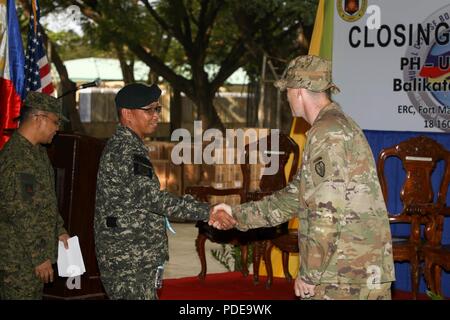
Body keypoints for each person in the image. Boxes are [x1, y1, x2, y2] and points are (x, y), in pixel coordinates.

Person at [210, 55, 395, 300]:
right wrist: (236, 214)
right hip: (350, 269)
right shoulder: (333, 126)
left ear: (297, 91)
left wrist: (310, 272)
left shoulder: (328, 133)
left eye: (287, 91)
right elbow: (294, 197)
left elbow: (326, 210)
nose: (286, 97)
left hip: (345, 274)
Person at [94, 82, 235, 300]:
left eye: (157, 109)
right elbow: (152, 199)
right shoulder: (126, 150)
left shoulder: (130, 146)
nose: (156, 115)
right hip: (129, 258)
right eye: (149, 110)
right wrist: (207, 210)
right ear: (127, 114)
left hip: (134, 253)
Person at [0, 92, 70, 300]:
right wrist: (40, 257)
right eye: (55, 122)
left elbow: (45, 201)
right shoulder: (17, 157)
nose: (57, 128)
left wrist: (60, 230)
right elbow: (23, 213)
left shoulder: (36, 152)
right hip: (19, 260)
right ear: (38, 118)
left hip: (28, 257)